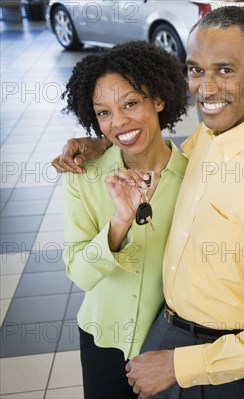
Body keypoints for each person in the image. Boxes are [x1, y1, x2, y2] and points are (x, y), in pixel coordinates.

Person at [53, 7, 244, 399]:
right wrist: (110, 141)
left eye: (225, 70)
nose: (205, 87)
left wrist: (179, 364)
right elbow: (162, 155)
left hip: (213, 362)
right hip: (164, 334)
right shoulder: (209, 136)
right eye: (196, 70)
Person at [60, 41, 189, 399]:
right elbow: (80, 274)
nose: (118, 123)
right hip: (104, 341)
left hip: (169, 348)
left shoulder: (194, 179)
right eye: (103, 113)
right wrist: (119, 223)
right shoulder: (82, 177)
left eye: (130, 104)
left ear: (159, 100)